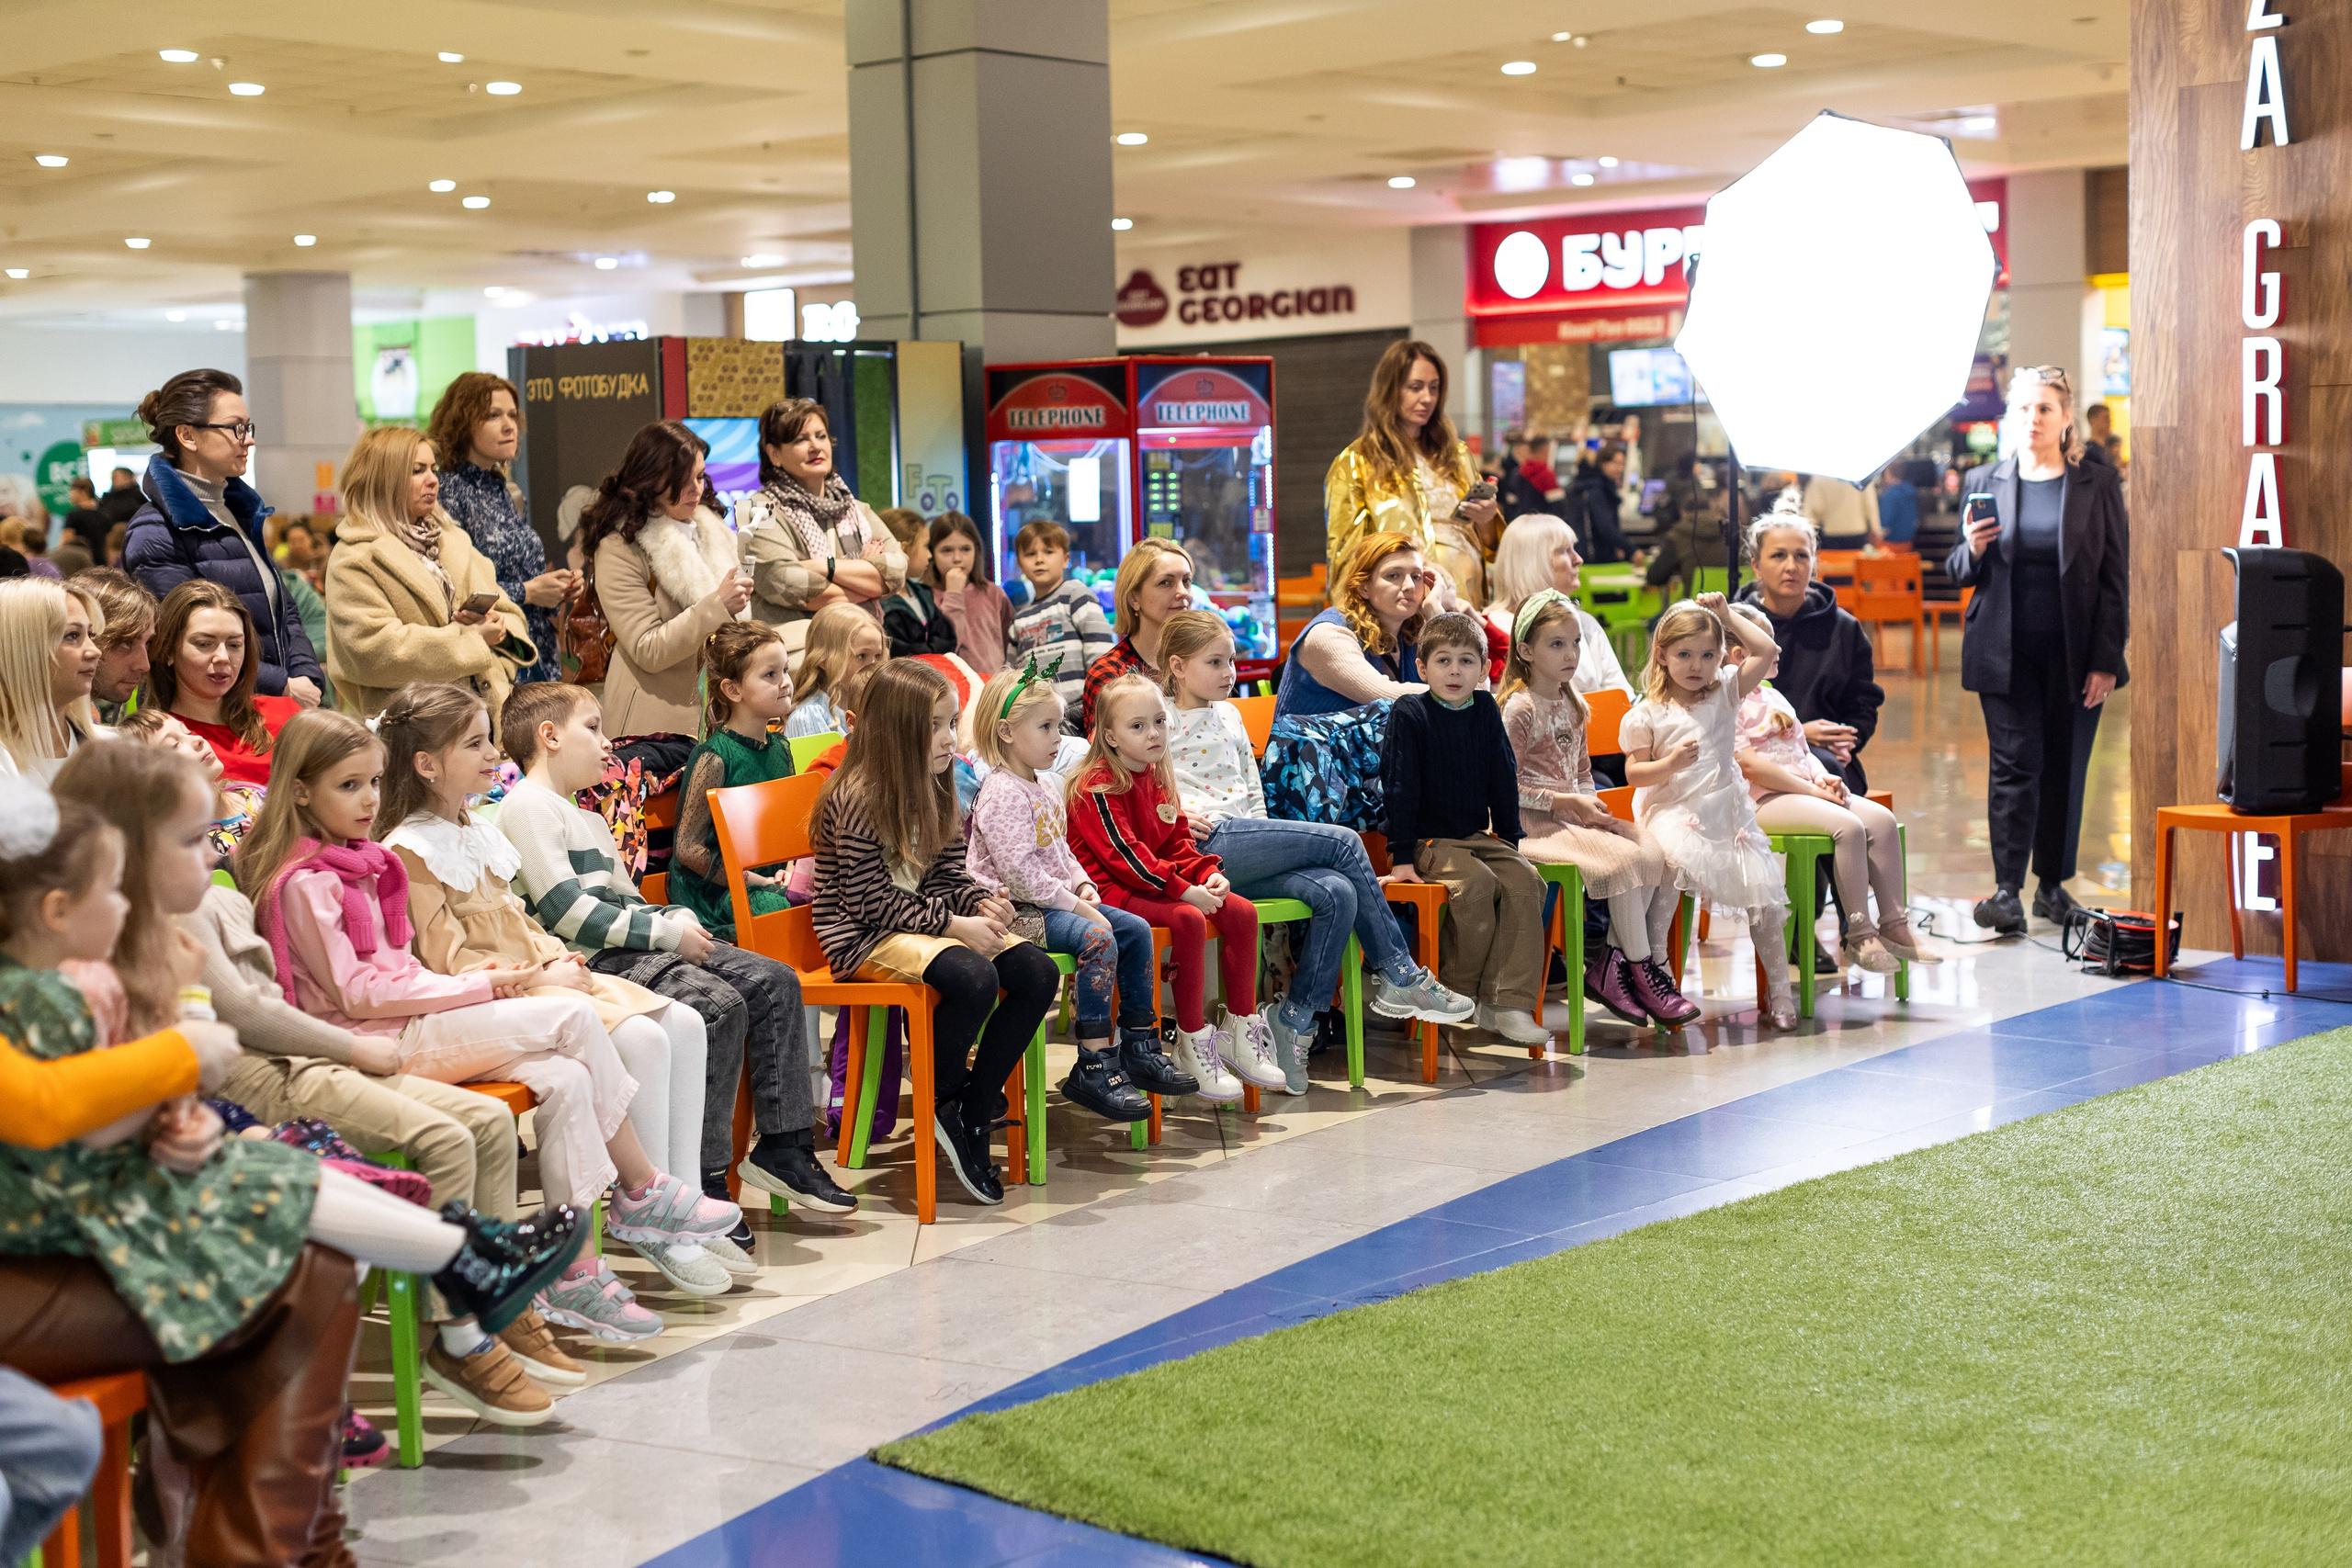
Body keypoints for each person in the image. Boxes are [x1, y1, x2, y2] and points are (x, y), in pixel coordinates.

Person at [0, 772, 585, 1495]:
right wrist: (177, 1070)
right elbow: (76, 1105)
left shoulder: (86, 970)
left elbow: (108, 1096)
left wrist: (166, 1112)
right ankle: (383, 1328)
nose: (214, 854)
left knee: (301, 1172)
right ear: (59, 908)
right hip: (83, 1202)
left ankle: (457, 1265)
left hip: (143, 1153)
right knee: (280, 1181)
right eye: (113, 885)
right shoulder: (47, 994)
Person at [237, 708, 744, 1371]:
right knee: (572, 1019)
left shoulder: (360, 864)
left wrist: (498, 978)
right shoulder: (309, 882)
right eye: (348, 786)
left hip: (412, 1017)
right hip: (376, 1040)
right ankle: (642, 1188)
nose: (366, 801)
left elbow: (401, 970)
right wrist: (491, 984)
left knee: (567, 1078)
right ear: (301, 792)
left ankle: (573, 1268)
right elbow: (364, 993)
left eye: (371, 783)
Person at [77, 728, 576, 1390]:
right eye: (191, 839)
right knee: (452, 1125)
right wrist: (354, 1043)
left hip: (287, 1061)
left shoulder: (216, 896)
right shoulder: (189, 912)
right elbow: (238, 1023)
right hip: (277, 1067)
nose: (213, 853)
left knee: (489, 1119)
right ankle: (463, 1315)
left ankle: (485, 1300)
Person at [496, 681, 852, 1235]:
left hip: (636, 944)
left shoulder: (586, 818)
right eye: (592, 728)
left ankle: (784, 1146)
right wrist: (663, 936)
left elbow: (628, 897)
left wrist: (672, 921)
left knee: (776, 982)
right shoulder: (525, 807)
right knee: (717, 1005)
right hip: (597, 963)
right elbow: (565, 912)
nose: (608, 742)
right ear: (549, 737)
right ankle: (704, 1179)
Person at [374, 682, 719, 1232]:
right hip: (492, 996)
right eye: (475, 745)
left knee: (685, 1022)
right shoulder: (411, 849)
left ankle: (682, 1196)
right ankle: (654, 1214)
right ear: (427, 765)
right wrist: (541, 972)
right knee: (643, 1039)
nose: (494, 755)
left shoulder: (473, 831)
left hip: (538, 975)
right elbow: (449, 962)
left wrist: (557, 956)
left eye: (490, 741)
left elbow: (516, 918)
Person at [1159, 611, 1473, 1090]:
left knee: (1337, 891)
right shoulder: (1160, 717)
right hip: (1201, 847)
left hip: (1245, 842)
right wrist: (1176, 814)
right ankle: (1399, 972)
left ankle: (1296, 1019)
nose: (1229, 672)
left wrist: (1272, 842)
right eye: (1215, 662)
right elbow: (1138, 787)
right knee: (1344, 841)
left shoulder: (1229, 713)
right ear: (1178, 666)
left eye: (1231, 661)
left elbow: (1252, 789)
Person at [808, 659, 1061, 1205]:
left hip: (921, 921)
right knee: (972, 976)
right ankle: (942, 1100)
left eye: (952, 723)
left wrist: (980, 902)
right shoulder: (854, 794)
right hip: (860, 936)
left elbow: (947, 873)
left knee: (1036, 972)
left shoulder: (939, 781)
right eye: (938, 726)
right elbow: (867, 900)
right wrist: (955, 924)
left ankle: (974, 1105)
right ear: (896, 731)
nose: (951, 740)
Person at [1949, 365, 2130, 936]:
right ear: (2011, 417)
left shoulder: (2095, 485)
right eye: (2023, 409)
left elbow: (2114, 577)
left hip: (2075, 655)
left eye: (2044, 409)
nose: (2033, 419)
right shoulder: (1987, 478)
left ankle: (2052, 885)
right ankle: (2007, 889)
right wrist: (1971, 549)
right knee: (2014, 766)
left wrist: (2106, 659)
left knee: (2065, 767)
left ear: (2066, 418)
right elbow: (1958, 572)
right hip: (2004, 653)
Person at [965, 665, 1159, 1123]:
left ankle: (1138, 1040)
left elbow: (1061, 850)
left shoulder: (1043, 782)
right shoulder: (1002, 792)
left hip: (1052, 899)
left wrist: (1083, 884)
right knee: (1098, 937)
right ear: (1007, 732)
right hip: (1016, 910)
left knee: (1136, 929)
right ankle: (1094, 1059)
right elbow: (1022, 875)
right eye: (1046, 727)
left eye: (1059, 725)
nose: (1059, 738)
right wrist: (1081, 907)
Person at [1067, 671, 1272, 1100]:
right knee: (1188, 919)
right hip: (1108, 890)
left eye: (1159, 721)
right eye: (1137, 726)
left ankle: (1241, 1026)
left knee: (1242, 911)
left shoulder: (1159, 774)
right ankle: (1191, 1040)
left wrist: (1205, 873)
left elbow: (1177, 839)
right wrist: (1185, 891)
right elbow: (1124, 858)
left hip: (1153, 881)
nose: (1154, 733)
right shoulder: (1097, 784)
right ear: (1110, 735)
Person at [1501, 591, 1699, 1029]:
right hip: (1534, 825)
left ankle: (1612, 966)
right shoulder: (1519, 709)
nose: (1571, 654)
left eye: (1576, 643)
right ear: (1525, 650)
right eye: (1557, 644)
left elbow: (1584, 771)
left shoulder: (1574, 702)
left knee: (1653, 851)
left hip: (1574, 819)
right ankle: (1642, 969)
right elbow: (1504, 787)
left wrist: (1591, 806)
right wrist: (1564, 802)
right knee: (1625, 861)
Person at [1728, 603, 1938, 973]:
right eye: (1770, 645)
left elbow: (1800, 748)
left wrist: (1820, 775)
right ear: (1740, 654)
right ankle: (1859, 933)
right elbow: (1749, 765)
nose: (1779, 652)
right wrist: (1810, 791)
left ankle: (1894, 924)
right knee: (1848, 826)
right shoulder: (1728, 701)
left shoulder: (1773, 695)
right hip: (1760, 799)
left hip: (1799, 789)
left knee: (1882, 820)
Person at [1623, 597, 1796, 1031]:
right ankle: (1659, 979)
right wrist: (1669, 765)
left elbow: (1767, 651)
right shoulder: (1647, 712)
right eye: (1683, 654)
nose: (1696, 665)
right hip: (1673, 811)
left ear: (1721, 655)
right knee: (1667, 879)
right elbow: (1635, 774)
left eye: (1707, 654)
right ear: (1661, 654)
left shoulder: (1725, 691)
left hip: (1728, 817)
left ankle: (1780, 991)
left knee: (1765, 900)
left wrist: (1727, 617)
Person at [1377, 613, 1549, 1047]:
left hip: (1476, 836)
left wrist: (1509, 840)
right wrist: (1400, 857)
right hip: (1424, 840)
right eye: (1444, 661)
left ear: (1485, 669)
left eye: (1467, 661)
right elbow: (1400, 786)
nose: (1455, 671)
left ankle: (1505, 1003)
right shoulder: (1410, 712)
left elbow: (1502, 776)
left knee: (1526, 882)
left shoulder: (1486, 709)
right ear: (1422, 668)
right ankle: (1458, 994)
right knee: (1474, 887)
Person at [122, 368, 324, 709]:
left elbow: (285, 612)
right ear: (187, 436)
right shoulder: (156, 529)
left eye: (248, 427)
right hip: (210, 717)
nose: (249, 439)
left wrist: (304, 677)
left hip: (268, 708)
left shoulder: (239, 513)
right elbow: (190, 641)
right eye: (236, 428)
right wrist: (283, 684)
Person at [323, 425, 536, 728]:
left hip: (489, 721)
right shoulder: (355, 557)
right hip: (416, 731)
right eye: (417, 470)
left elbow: (505, 610)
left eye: (433, 469)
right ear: (384, 479)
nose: (433, 479)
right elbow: (374, 651)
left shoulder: (452, 539)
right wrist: (469, 642)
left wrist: (500, 633)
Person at [582, 421, 752, 739]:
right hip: (656, 723)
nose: (696, 489)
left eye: (700, 477)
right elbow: (647, 648)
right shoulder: (620, 546)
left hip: (722, 711)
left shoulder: (713, 532)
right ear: (649, 479)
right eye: (680, 480)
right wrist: (718, 605)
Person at [1326, 339, 1498, 608]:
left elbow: (1489, 545)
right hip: (1398, 612)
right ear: (1391, 390)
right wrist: (1351, 623)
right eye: (1415, 388)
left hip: (1466, 601)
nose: (1427, 398)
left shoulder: (1456, 454)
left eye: (1434, 388)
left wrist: (1488, 520)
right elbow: (1345, 557)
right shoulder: (1357, 462)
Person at [429, 371, 571, 687]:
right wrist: (531, 592)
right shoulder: (449, 491)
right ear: (463, 424)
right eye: (493, 415)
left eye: (511, 415)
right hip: (494, 657)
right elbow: (453, 591)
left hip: (534, 649)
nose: (510, 426)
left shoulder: (503, 489)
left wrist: (555, 590)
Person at [1733, 498, 1884, 792]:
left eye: (1801, 556)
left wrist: (1845, 740)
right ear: (1756, 566)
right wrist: (1798, 730)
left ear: (1814, 564)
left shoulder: (1843, 628)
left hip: (1824, 758)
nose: (1791, 566)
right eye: (1778, 556)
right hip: (1746, 757)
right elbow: (1714, 707)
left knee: (1832, 774)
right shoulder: (1731, 628)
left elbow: (1862, 703)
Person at [671, 622, 800, 939]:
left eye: (785, 670)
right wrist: (759, 881)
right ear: (733, 689)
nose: (785, 683)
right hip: (720, 894)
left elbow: (791, 826)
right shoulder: (714, 757)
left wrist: (793, 869)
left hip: (773, 881)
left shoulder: (781, 747)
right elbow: (688, 850)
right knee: (783, 908)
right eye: (770, 675)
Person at [735, 397, 903, 636]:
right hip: (796, 652)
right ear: (774, 454)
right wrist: (868, 583)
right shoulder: (755, 508)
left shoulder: (855, 508)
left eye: (821, 436)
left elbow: (896, 571)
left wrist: (826, 566)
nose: (815, 446)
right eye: (801, 439)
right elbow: (783, 582)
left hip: (863, 642)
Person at [149, 580, 300, 789]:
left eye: (234, 645)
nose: (223, 657)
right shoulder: (164, 742)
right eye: (204, 644)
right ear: (168, 651)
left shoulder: (287, 714)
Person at [1273, 530, 1429, 718]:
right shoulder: (1328, 635)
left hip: (1375, 746)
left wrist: (1436, 609)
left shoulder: (1412, 631)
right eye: (1393, 575)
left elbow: (1463, 671)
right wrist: (1463, 693)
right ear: (1364, 588)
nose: (1410, 586)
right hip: (1317, 747)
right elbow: (1384, 695)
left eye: (1416, 576)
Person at [1484, 514, 1633, 698]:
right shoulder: (1488, 629)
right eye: (1565, 551)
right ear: (1532, 562)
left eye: (1574, 549)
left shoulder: (1586, 624)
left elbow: (1622, 697)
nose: (1578, 559)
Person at [1007, 520, 1115, 731]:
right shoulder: (1019, 619)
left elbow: (1101, 657)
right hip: (1038, 717)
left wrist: (1100, 706)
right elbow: (1013, 675)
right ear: (1019, 564)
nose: (1039, 560)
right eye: (1030, 554)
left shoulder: (1075, 594)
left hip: (1082, 710)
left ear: (1066, 559)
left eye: (1048, 552)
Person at [1078, 536, 1195, 729]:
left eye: (1187, 581)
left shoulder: (1202, 660)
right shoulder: (1109, 674)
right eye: (1165, 582)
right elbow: (1104, 757)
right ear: (1134, 598)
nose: (1183, 592)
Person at [0, 578, 99, 783]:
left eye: (90, 634)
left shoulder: (108, 748)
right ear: (22, 650)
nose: (95, 651)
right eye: (72, 635)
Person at [924, 511, 1012, 674]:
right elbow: (944, 648)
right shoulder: (925, 597)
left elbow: (1010, 644)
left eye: (965, 549)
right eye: (947, 550)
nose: (957, 558)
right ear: (932, 554)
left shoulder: (994, 594)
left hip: (993, 690)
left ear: (976, 550)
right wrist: (953, 593)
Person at [786, 600, 887, 739]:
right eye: (862, 656)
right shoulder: (810, 716)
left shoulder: (878, 707)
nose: (873, 666)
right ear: (824, 661)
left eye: (878, 656)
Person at [1563, 442, 1633, 565]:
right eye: (1616, 464)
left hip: (1588, 554)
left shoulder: (1589, 485)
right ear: (1602, 463)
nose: (1620, 469)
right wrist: (1631, 549)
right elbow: (1605, 526)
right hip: (1593, 556)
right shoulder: (1595, 488)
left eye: (1622, 464)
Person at [1803, 472, 1881, 549]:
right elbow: (1870, 504)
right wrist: (1875, 529)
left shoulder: (1820, 475)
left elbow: (1816, 508)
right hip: (1857, 531)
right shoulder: (1861, 473)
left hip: (1831, 532)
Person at [1875, 461, 1921, 546]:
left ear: (1888, 472)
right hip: (1908, 542)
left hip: (1891, 543)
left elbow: (1885, 522)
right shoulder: (1910, 490)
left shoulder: (1891, 494)